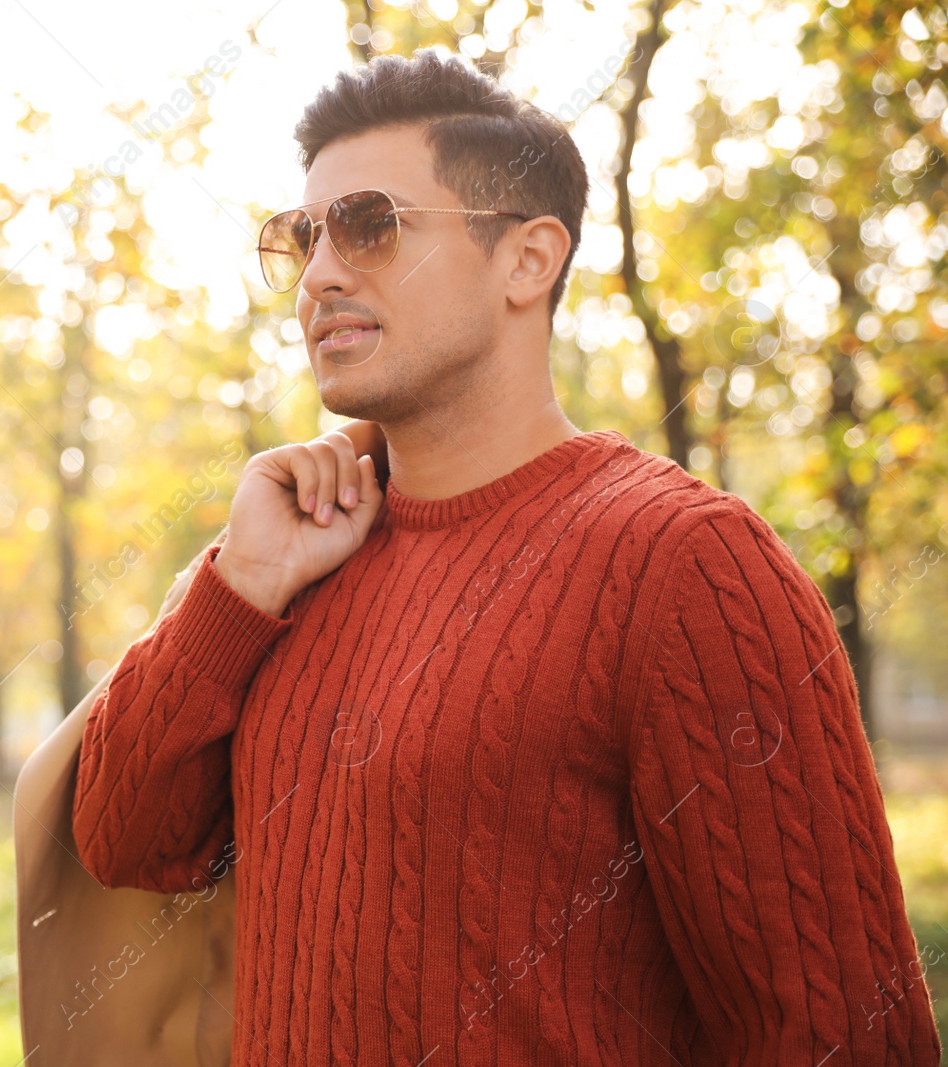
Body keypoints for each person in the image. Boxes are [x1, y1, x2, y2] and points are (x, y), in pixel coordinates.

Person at [67, 48, 942, 1065]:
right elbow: (127, 838)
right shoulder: (291, 554)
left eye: (369, 224)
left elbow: (841, 1031)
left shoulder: (686, 566)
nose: (318, 275)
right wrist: (237, 588)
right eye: (300, 237)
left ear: (527, 259)